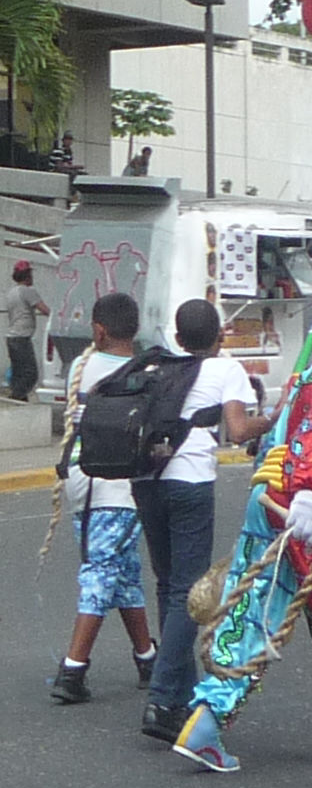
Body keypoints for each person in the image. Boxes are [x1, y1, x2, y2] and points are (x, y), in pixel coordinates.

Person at [132, 298, 269, 743]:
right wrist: (276, 415)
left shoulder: (161, 366)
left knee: (168, 583)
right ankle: (161, 697)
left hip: (147, 480)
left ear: (177, 336)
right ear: (219, 336)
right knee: (188, 591)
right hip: (189, 482)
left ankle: (179, 692)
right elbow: (239, 429)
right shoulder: (224, 369)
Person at [177, 339, 312, 772]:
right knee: (253, 615)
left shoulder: (306, 350)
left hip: (274, 492)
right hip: (298, 502)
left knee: (250, 616)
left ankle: (205, 723)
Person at [48, 293, 156, 704]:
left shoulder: (81, 366)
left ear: (98, 330)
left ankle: (147, 656)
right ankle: (73, 669)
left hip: (82, 480)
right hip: (123, 485)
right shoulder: (147, 371)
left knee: (122, 569)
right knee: (103, 568)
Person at [4, 261, 50, 401]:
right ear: (27, 276)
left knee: (18, 373)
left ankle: (18, 402)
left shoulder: (11, 292)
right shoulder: (28, 291)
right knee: (31, 373)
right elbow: (45, 310)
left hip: (12, 338)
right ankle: (16, 397)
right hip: (21, 338)